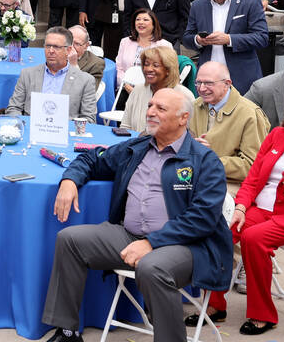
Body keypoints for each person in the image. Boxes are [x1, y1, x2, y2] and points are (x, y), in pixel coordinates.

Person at [41, 89, 233, 342]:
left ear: (183, 118)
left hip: (186, 246)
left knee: (152, 267)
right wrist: (69, 181)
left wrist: (151, 243)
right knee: (70, 239)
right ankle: (67, 331)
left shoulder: (203, 160)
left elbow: (203, 218)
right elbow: (91, 159)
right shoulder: (136, 148)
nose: (151, 112)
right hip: (130, 235)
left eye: (161, 109)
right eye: (150, 105)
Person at [196, 93, 284, 334]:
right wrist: (240, 207)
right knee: (219, 229)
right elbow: (253, 178)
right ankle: (215, 305)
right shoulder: (278, 135)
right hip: (263, 211)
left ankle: (264, 315)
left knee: (254, 237)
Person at [185, 0, 270, 94]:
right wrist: (198, 40)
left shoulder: (250, 2)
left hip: (242, 78)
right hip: (208, 80)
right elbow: (186, 37)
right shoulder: (198, 5)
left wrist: (229, 39)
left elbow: (262, 38)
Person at [188, 62, 270, 188]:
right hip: (192, 178)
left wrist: (210, 160)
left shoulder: (250, 113)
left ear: (227, 84)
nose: (202, 88)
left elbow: (253, 166)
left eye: (209, 83)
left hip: (229, 184)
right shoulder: (194, 106)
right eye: (198, 83)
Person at [6, 27, 98, 120]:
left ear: (69, 50)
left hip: (67, 132)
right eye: (47, 46)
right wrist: (21, 125)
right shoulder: (28, 74)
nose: (50, 51)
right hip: (30, 129)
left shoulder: (85, 81)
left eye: (56, 47)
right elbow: (14, 108)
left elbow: (89, 118)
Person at [120, 46, 194, 133]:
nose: (148, 69)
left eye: (155, 65)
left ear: (168, 70)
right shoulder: (138, 90)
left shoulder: (184, 95)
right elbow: (125, 126)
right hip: (135, 144)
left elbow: (191, 132)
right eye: (146, 64)